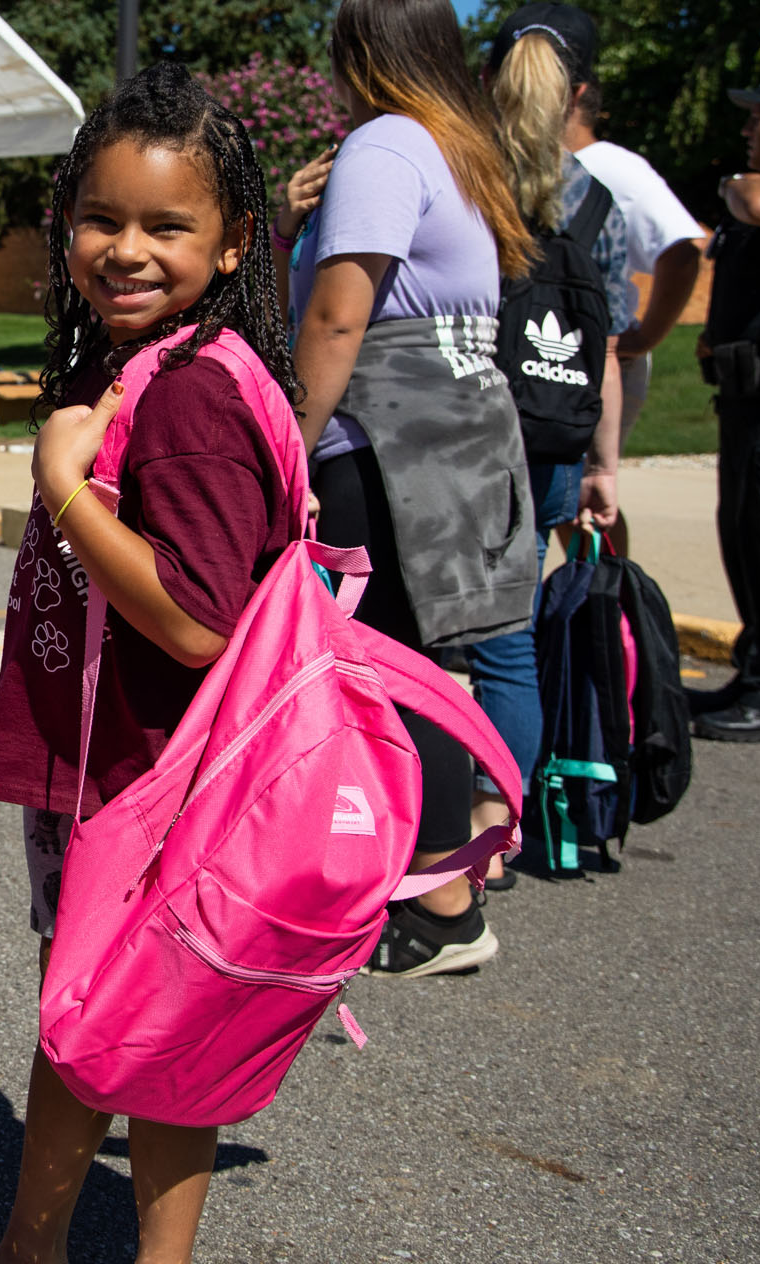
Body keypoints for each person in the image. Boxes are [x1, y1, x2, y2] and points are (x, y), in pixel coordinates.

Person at [0, 63, 297, 1264]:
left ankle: (50, 1255)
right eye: (101, 219)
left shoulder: (192, 393)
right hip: (151, 763)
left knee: (91, 1015)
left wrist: (64, 485)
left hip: (149, 773)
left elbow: (194, 617)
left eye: (166, 227)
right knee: (159, 1015)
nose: (125, 249)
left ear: (230, 244)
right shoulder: (173, 364)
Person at [287, 0, 538, 977]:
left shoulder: (383, 147)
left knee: (386, 669)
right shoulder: (449, 148)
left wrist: (289, 447)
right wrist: (289, 223)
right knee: (418, 669)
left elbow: (336, 320)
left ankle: (436, 901)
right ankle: (441, 882)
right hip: (453, 437)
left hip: (379, 447)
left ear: (358, 51)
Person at [457, 9, 640, 886]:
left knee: (434, 641)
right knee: (510, 643)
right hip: (556, 443)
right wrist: (603, 465)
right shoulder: (598, 199)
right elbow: (601, 344)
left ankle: (430, 817)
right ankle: (498, 823)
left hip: (468, 440)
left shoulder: (465, 178)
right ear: (577, 94)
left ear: (492, 82)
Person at [551, 4, 706, 551]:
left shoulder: (612, 167)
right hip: (558, 353)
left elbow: (683, 249)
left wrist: (646, 337)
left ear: (575, 95)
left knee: (583, 500)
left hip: (598, 359)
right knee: (566, 502)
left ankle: (608, 614)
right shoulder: (541, 164)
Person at [693, 73, 760, 741]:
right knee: (745, 536)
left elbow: (757, 199)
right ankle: (756, 673)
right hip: (745, 399)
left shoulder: (755, 191)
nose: (747, 128)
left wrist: (732, 189)